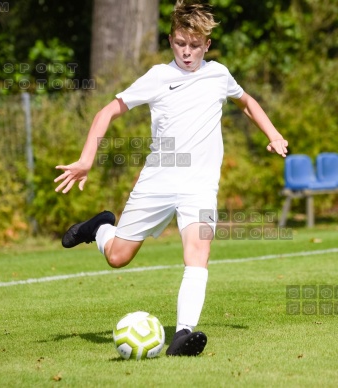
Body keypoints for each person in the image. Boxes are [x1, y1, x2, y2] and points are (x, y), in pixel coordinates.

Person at [54, 0, 288, 357]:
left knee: (198, 252)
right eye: (181, 43)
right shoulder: (157, 78)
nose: (187, 52)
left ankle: (182, 335)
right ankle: (100, 227)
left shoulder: (219, 74)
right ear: (170, 40)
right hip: (157, 183)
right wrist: (86, 160)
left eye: (195, 45)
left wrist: (273, 134)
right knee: (117, 257)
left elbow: (247, 102)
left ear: (207, 45)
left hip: (199, 187)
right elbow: (106, 112)